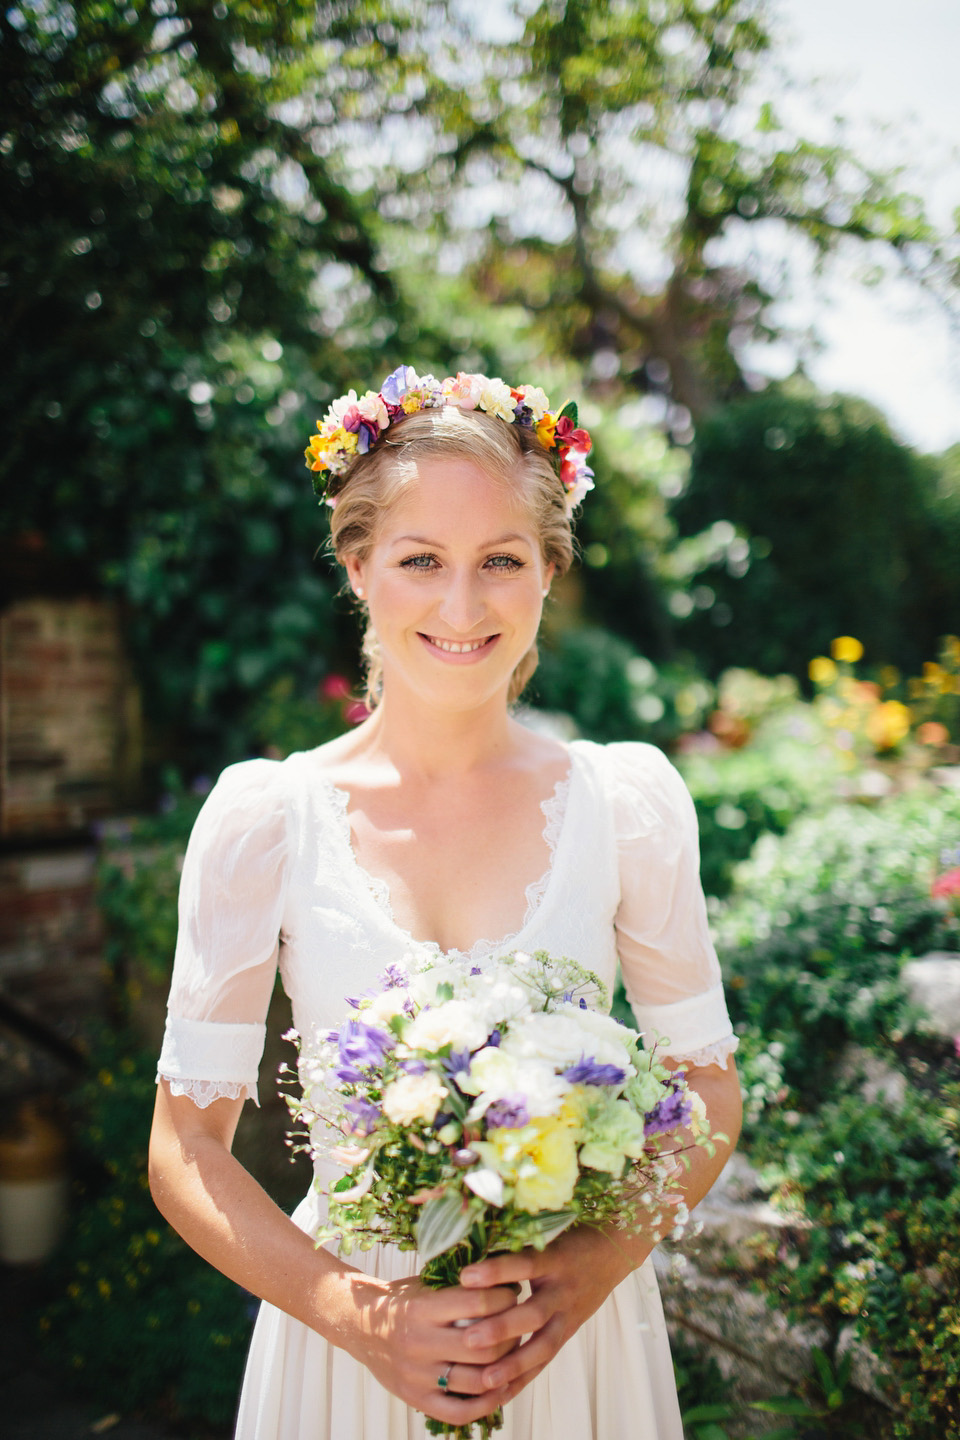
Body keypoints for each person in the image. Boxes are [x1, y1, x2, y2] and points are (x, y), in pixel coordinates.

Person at [148, 366, 743, 1440]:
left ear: (549, 571)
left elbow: (708, 1089)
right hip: (348, 1346)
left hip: (567, 1341)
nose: (462, 607)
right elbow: (185, 1142)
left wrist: (584, 1273)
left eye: (502, 562)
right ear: (358, 562)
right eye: (421, 559)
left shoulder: (626, 806)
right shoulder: (264, 820)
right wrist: (362, 1318)